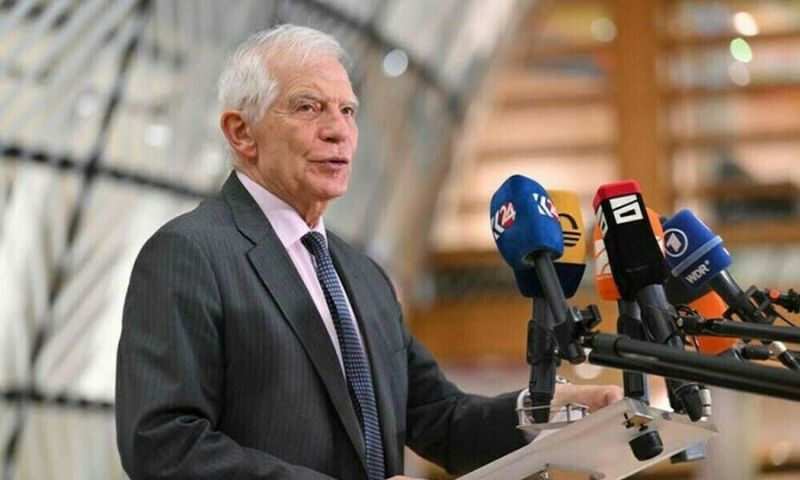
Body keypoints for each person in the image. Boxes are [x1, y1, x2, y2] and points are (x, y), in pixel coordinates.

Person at [115, 24, 622, 480]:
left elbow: (439, 418)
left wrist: (544, 410)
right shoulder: (189, 254)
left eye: (348, 111)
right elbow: (163, 444)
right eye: (308, 107)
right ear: (241, 132)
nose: (338, 130)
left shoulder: (363, 276)